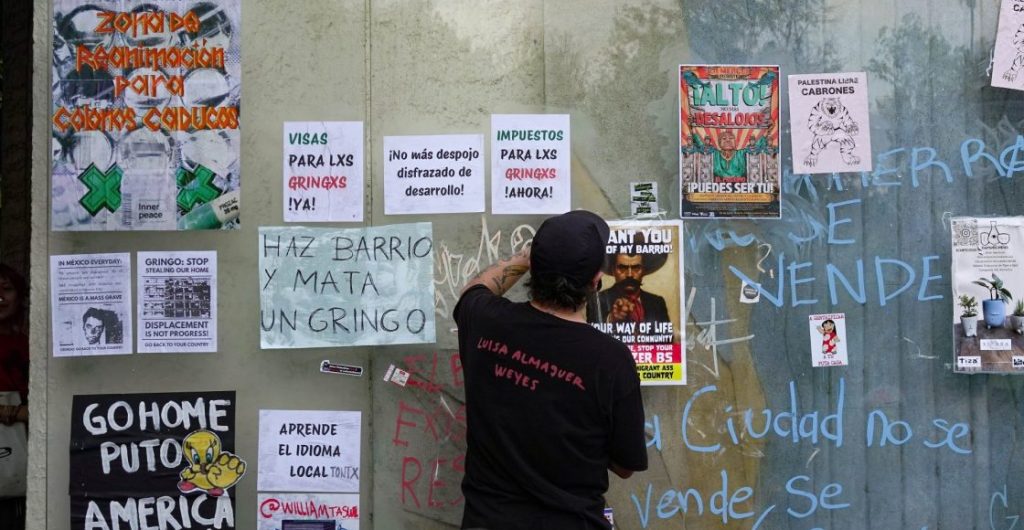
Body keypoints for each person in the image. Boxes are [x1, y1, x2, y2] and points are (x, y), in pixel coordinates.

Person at [454, 210, 647, 529]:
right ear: (596, 281)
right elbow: (626, 466)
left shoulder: (485, 321)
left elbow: (473, 290)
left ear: (533, 266)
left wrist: (527, 257)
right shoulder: (610, 359)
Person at [0, 264, 28, 530]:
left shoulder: (28, 344)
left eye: (6, 289)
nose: (0, 297)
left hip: (20, 450)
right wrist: (12, 412)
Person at [587, 248, 670, 325]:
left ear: (644, 271)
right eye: (622, 268)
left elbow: (667, 334)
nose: (629, 274)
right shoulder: (597, 301)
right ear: (613, 270)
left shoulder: (657, 303)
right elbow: (592, 333)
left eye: (636, 268)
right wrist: (611, 319)